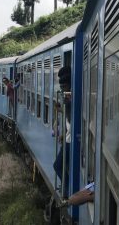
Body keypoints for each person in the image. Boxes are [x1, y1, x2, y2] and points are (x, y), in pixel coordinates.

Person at [53, 66, 71, 197]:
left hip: (70, 141)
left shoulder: (69, 99)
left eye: (63, 86)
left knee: (57, 165)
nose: (62, 90)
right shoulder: (68, 98)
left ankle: (67, 190)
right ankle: (67, 189)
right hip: (67, 138)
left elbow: (72, 119)